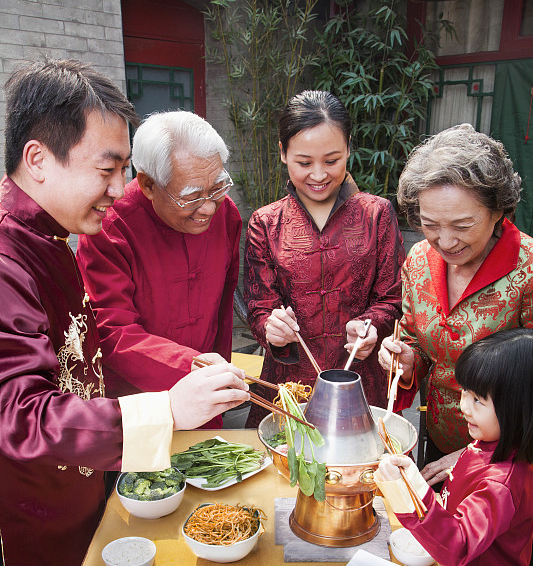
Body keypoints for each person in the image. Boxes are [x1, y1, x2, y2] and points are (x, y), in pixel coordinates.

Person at [0, 59, 249, 566]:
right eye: (108, 169)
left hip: (73, 501)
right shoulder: (7, 258)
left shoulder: (47, 242)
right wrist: (167, 410)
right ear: (38, 158)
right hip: (21, 537)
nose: (119, 190)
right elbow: (19, 415)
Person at [375, 328, 533, 566]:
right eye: (464, 392)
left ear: (519, 408)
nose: (463, 406)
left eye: (478, 399)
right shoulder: (487, 445)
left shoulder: (504, 481)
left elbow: (458, 543)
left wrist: (404, 495)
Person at [378, 124, 533, 486]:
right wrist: (406, 359)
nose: (445, 241)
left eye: (462, 225)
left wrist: (475, 456)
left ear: (498, 211)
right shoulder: (419, 260)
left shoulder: (528, 267)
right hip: (440, 436)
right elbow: (418, 339)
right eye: (430, 224)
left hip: (512, 460)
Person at [243, 90, 403, 425]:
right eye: (304, 163)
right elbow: (259, 306)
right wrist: (272, 328)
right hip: (288, 386)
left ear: (348, 150)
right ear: (283, 153)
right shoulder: (266, 223)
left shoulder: (377, 214)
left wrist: (371, 326)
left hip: (359, 381)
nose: (318, 175)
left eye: (331, 161)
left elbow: (392, 297)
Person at [77, 110, 241, 428]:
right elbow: (112, 331)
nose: (208, 207)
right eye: (191, 196)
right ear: (149, 185)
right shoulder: (110, 226)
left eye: (218, 187)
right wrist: (193, 367)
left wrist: (217, 381)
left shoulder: (227, 214)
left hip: (205, 393)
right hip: (137, 406)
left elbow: (223, 312)